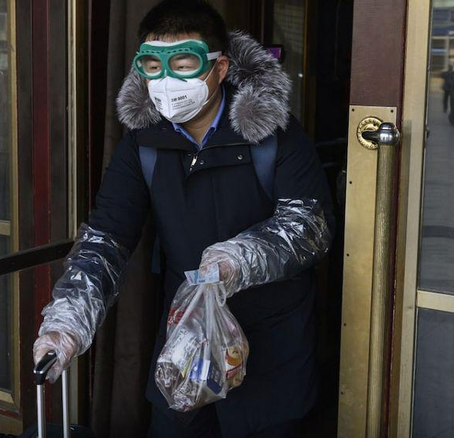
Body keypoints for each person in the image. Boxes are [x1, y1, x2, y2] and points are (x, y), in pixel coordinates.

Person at [33, 1, 334, 437]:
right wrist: (67, 320)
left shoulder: (275, 135)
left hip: (272, 345)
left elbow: (309, 227)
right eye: (153, 65)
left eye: (184, 63)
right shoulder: (143, 145)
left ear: (219, 68)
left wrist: (239, 259)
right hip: (185, 345)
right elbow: (107, 236)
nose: (167, 81)